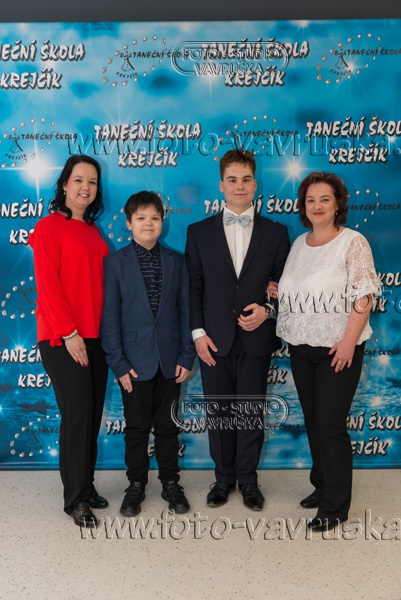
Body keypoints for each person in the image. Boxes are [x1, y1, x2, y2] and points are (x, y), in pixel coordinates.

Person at [185, 149, 290, 510]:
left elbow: (287, 287)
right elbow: (194, 287)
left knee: (250, 411)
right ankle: (223, 479)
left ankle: (248, 479)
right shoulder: (198, 232)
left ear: (255, 184)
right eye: (232, 179)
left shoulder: (277, 233)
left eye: (246, 179)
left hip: (256, 337)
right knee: (218, 412)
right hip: (214, 339)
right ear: (221, 185)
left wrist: (267, 311)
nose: (239, 186)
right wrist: (197, 334)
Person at [276, 171, 381, 531]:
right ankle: (321, 486)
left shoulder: (353, 242)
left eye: (325, 199)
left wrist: (349, 341)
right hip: (301, 348)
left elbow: (364, 294)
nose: (317, 206)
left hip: (338, 348)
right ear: (303, 206)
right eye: (311, 200)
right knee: (313, 421)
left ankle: (335, 507)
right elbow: (295, 289)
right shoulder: (299, 243)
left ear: (338, 205)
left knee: (331, 426)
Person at [100, 191, 195, 517]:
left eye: (154, 217)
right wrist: (118, 363)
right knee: (137, 428)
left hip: (171, 361)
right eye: (141, 218)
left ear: (162, 221)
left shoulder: (177, 262)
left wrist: (186, 355)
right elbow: (109, 318)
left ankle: (170, 482)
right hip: (133, 363)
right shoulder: (115, 263)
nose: (148, 223)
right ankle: (136, 484)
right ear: (129, 223)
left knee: (168, 426)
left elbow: (185, 312)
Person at [29, 155, 110, 528]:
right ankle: (75, 499)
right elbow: (48, 285)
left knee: (90, 416)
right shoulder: (48, 227)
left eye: (92, 182)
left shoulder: (93, 231)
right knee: (77, 416)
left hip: (95, 336)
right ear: (64, 184)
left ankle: (86, 486)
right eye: (78, 180)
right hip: (62, 338)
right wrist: (69, 333)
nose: (85, 187)